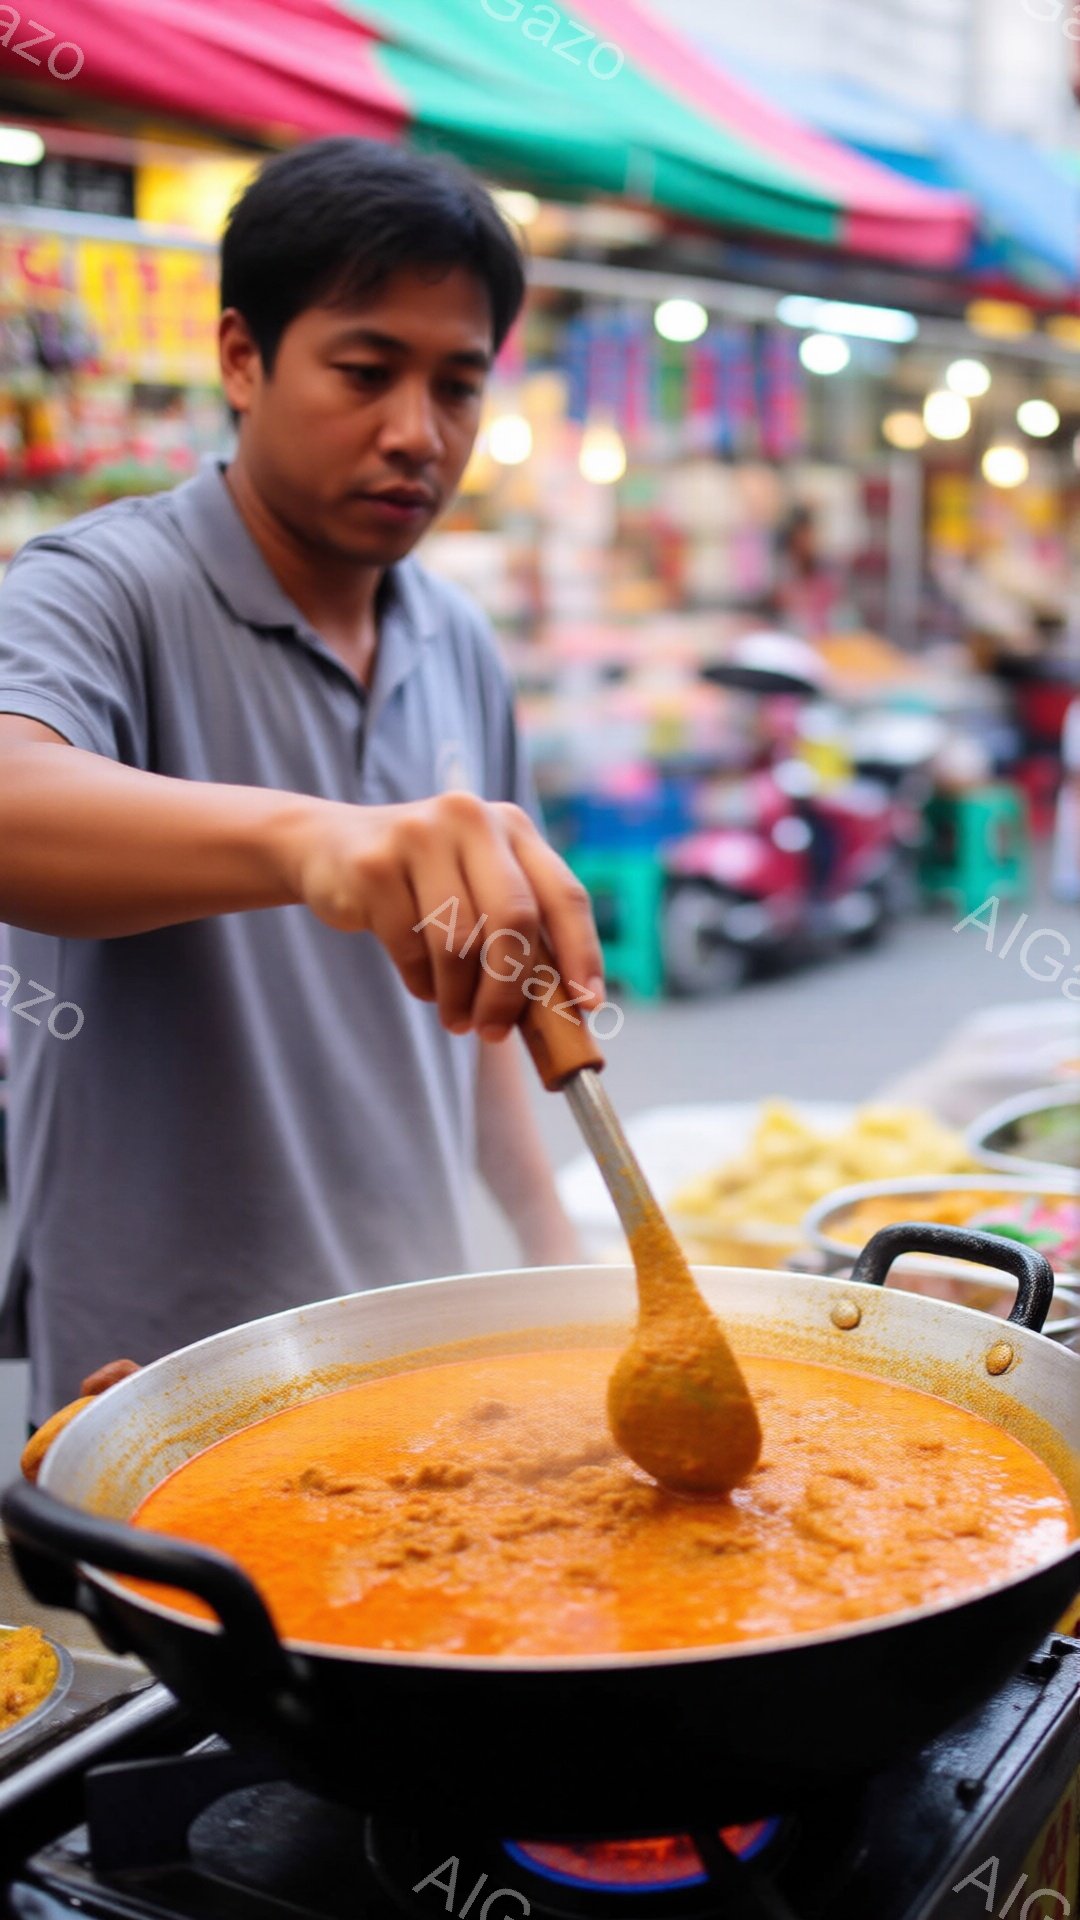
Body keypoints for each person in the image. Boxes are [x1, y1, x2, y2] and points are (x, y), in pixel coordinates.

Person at [0, 138, 605, 1427]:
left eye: (457, 386)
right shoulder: (104, 590)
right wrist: (313, 844)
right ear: (240, 357)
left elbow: (490, 1010)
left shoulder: (456, 639)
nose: (415, 433)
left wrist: (565, 1262)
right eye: (365, 371)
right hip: (168, 1371)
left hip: (415, 1329)